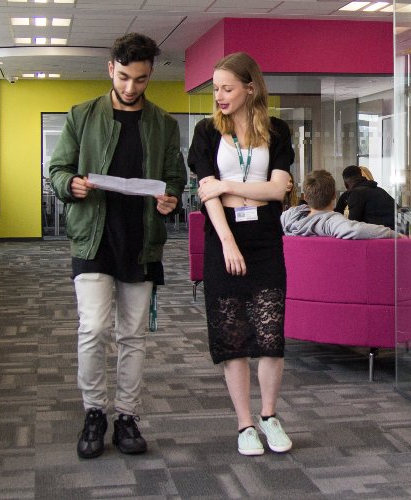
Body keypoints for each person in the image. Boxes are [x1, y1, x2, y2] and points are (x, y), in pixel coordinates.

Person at [45, 33, 185, 460]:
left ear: (149, 75)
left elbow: (174, 178)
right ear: (111, 69)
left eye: (140, 80)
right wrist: (68, 184)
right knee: (92, 329)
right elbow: (57, 169)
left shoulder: (163, 122)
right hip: (93, 236)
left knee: (133, 335)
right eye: (124, 77)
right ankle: (94, 413)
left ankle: (126, 415)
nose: (130, 88)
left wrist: (171, 198)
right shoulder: (82, 115)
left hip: (141, 241)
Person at [189, 52, 297, 457]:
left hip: (266, 238)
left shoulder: (277, 131)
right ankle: (245, 424)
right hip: (223, 239)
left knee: (270, 335)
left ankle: (269, 416)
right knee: (232, 335)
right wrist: (227, 241)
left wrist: (224, 186)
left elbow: (277, 190)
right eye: (215, 88)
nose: (219, 95)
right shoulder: (205, 132)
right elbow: (206, 194)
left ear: (250, 88)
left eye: (227, 88)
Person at [281, 170, 397, 239]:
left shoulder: (290, 216)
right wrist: (396, 235)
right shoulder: (330, 222)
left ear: (305, 197)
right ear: (334, 196)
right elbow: (356, 230)